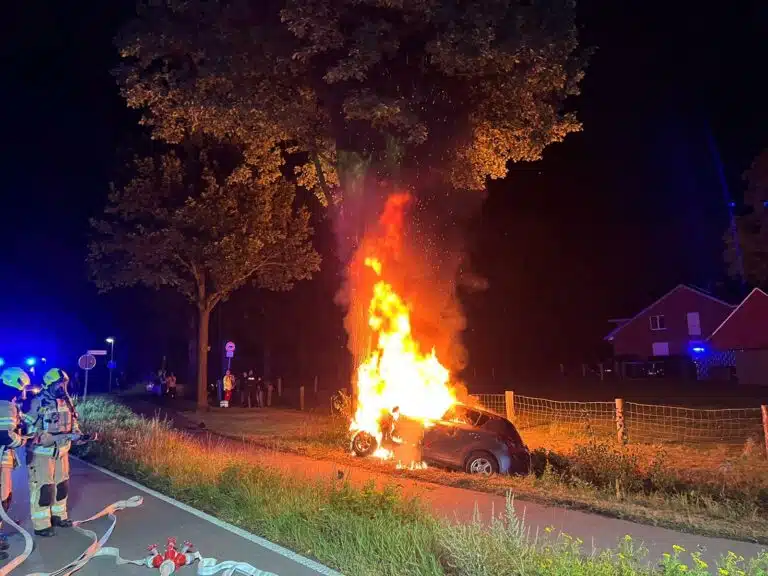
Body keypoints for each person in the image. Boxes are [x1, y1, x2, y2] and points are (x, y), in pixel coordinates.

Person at [24, 368, 81, 537]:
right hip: (42, 454)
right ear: (49, 385)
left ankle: (59, 516)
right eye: (59, 384)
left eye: (64, 384)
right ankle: (41, 524)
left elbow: (73, 423)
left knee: (62, 485)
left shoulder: (66, 402)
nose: (62, 387)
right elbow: (30, 431)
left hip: (62, 453)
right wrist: (49, 438)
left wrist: (79, 435)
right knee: (43, 488)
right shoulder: (36, 403)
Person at [0, 367, 31, 559]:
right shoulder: (5, 405)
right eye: (23, 387)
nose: (24, 391)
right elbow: (4, 435)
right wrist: (22, 440)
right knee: (3, 498)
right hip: (1, 460)